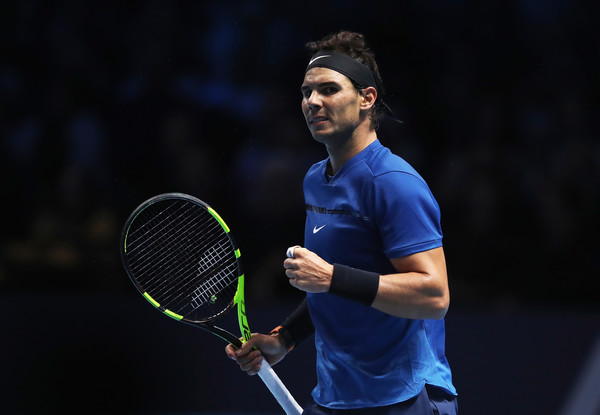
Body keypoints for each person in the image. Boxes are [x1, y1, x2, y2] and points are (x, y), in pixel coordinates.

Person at [225, 30, 458, 414]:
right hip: (337, 396)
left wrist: (332, 277)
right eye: (306, 92)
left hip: (405, 398)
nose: (312, 102)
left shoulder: (394, 184)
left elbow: (435, 296)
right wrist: (286, 338)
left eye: (329, 90)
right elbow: (333, 285)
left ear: (367, 99)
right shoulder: (316, 179)